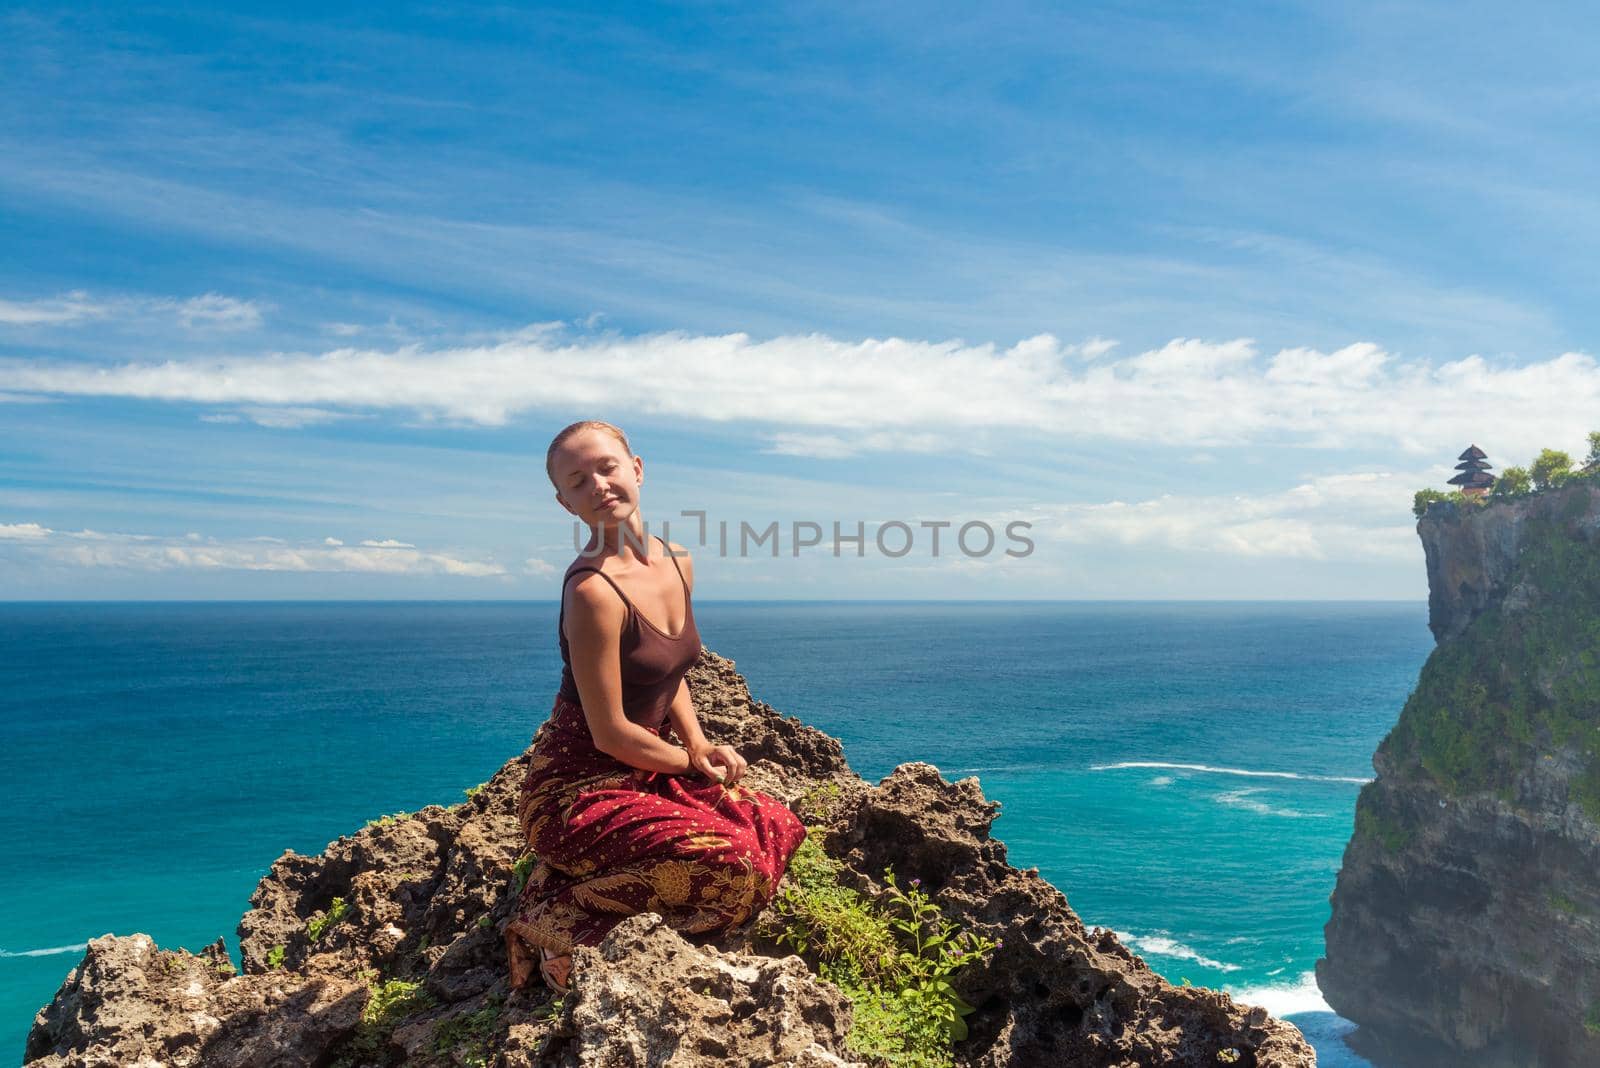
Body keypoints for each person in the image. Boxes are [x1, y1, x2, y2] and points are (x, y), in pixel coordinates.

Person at [505, 420, 807, 994]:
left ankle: (588, 882)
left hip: (648, 766)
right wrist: (688, 765)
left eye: (607, 467)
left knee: (778, 825)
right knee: (734, 861)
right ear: (565, 502)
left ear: (636, 469)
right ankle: (549, 918)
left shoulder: (676, 560)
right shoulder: (593, 591)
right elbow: (612, 734)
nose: (597, 484)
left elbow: (669, 673)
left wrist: (697, 743)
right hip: (577, 789)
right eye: (577, 480)